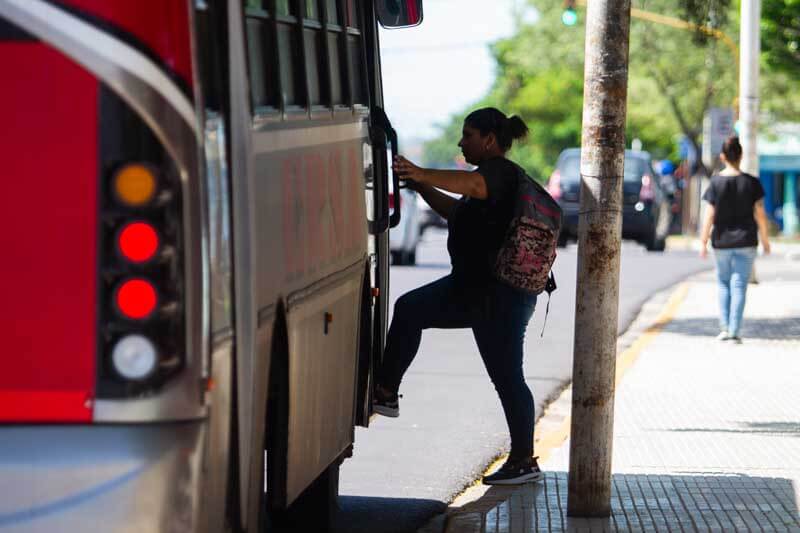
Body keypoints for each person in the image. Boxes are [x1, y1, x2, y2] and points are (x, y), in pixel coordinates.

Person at [372, 107, 543, 485]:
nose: (461, 142)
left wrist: (421, 172)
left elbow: (472, 187)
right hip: (471, 290)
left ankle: (523, 459)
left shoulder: (498, 172)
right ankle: (386, 391)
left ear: (489, 140)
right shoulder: (486, 180)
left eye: (468, 135)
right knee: (410, 308)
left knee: (508, 378)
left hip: (499, 297)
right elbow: (456, 210)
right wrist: (421, 186)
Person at [699, 135, 771, 343]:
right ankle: (735, 330)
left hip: (721, 241)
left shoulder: (715, 182)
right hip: (747, 241)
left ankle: (724, 328)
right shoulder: (752, 183)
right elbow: (760, 215)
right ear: (741, 156)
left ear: (722, 157)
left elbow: (709, 215)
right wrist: (765, 240)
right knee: (739, 284)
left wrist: (703, 241)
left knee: (723, 283)